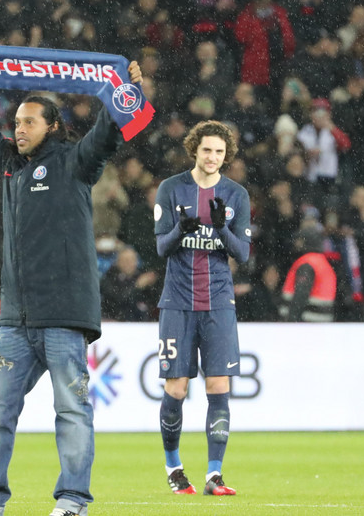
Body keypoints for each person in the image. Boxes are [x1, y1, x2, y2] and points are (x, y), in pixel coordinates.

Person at [0, 53, 140, 516]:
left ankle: (72, 502)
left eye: (29, 122)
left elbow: (108, 134)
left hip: (64, 317)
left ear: (52, 127)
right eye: (16, 121)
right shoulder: (8, 162)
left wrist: (126, 93)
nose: (18, 129)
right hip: (16, 321)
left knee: (71, 414)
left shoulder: (75, 162)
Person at [152, 120, 251, 496]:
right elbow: (162, 248)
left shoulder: (236, 194)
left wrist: (221, 227)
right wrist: (182, 228)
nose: (213, 158)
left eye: (220, 152)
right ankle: (174, 467)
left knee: (218, 385)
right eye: (207, 150)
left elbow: (242, 252)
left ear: (227, 156)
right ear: (195, 149)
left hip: (219, 303)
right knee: (175, 388)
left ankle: (214, 474)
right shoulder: (171, 188)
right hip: (177, 302)